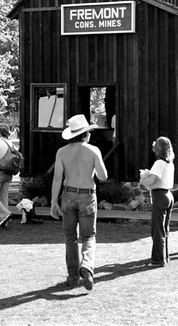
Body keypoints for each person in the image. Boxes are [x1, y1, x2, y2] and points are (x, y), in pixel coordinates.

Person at [50, 114, 108, 290]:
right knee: (89, 236)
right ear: (86, 134)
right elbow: (103, 176)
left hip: (68, 195)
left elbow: (57, 178)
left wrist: (53, 202)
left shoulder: (62, 152)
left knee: (70, 238)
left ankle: (73, 277)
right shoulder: (93, 150)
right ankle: (87, 266)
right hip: (87, 195)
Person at [145, 137, 175, 267]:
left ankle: (157, 259)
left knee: (157, 229)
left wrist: (143, 180)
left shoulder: (159, 163)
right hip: (168, 194)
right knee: (164, 228)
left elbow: (152, 180)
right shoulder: (170, 163)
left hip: (159, 195)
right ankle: (165, 256)